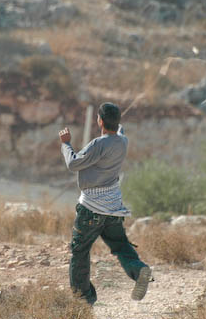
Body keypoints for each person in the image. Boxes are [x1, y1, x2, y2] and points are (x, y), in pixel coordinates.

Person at [58, 102, 151, 305]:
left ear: (99, 120)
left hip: (91, 208)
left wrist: (66, 143)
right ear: (117, 122)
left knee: (80, 251)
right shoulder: (123, 142)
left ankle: (83, 299)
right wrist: (117, 128)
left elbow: (73, 163)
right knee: (120, 245)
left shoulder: (98, 144)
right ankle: (138, 269)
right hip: (113, 208)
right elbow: (120, 132)